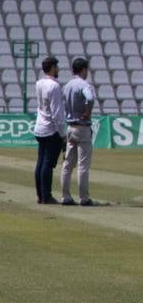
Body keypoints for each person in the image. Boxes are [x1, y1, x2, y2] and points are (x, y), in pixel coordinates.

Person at [61, 57, 96, 206]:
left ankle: (65, 197)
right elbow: (90, 98)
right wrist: (88, 111)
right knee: (83, 165)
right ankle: (84, 198)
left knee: (68, 164)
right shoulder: (84, 84)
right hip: (82, 127)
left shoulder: (67, 85)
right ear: (83, 70)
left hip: (70, 127)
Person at [32, 56, 67, 205]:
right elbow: (57, 113)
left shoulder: (39, 83)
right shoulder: (54, 86)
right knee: (47, 164)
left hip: (40, 126)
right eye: (57, 67)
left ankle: (40, 195)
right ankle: (47, 196)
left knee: (40, 162)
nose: (58, 69)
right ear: (52, 67)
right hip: (51, 129)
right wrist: (63, 133)